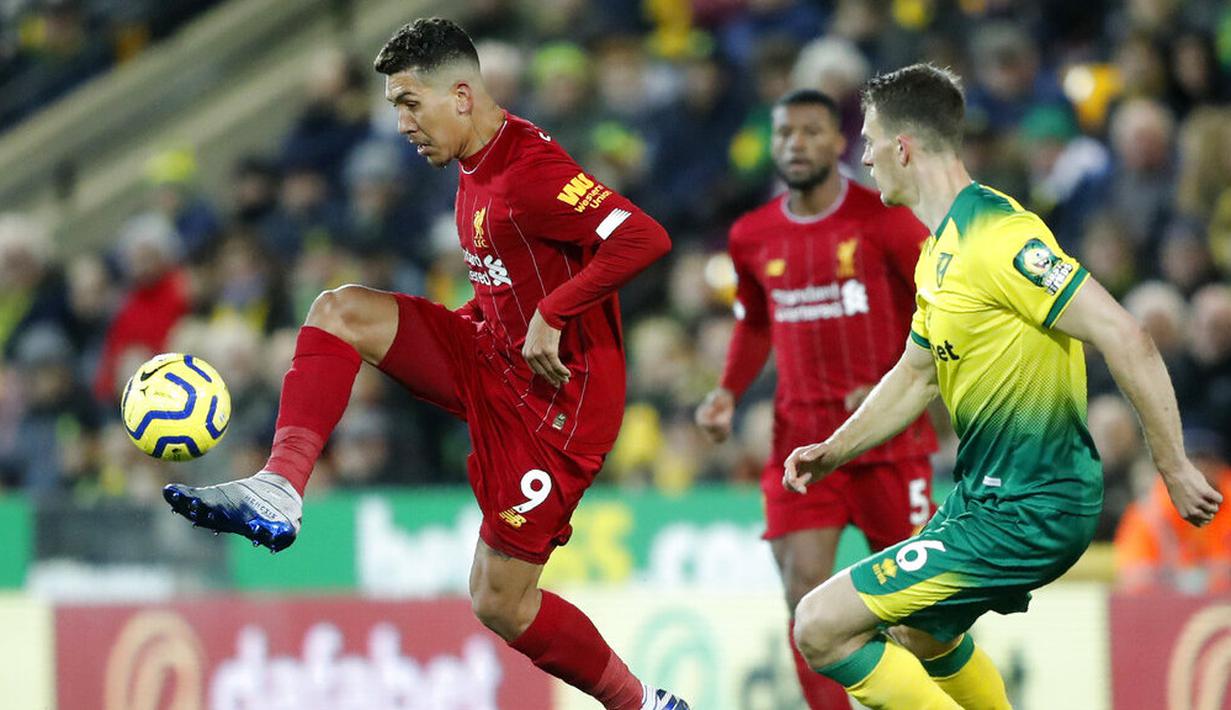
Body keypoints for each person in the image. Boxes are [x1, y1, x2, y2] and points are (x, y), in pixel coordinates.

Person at [163, 18, 689, 710]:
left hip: (559, 409)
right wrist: (494, 315)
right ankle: (280, 487)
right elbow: (512, 269)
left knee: (498, 601)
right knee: (339, 310)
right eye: (393, 107)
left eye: (410, 104)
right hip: (493, 356)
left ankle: (640, 705)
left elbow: (644, 238)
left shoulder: (530, 173)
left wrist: (554, 311)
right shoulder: (475, 162)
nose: (402, 124)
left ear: (463, 95)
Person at [782, 63, 1223, 710]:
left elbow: (1128, 336)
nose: (864, 156)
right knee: (920, 635)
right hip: (982, 501)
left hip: (1031, 505)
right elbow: (915, 373)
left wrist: (1172, 465)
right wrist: (835, 449)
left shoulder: (1000, 237)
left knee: (818, 627)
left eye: (871, 141)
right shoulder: (940, 251)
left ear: (903, 147)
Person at [695, 88, 937, 709]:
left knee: (919, 611)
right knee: (805, 595)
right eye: (783, 134)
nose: (794, 144)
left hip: (889, 439)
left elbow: (937, 312)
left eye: (810, 131)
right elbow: (753, 323)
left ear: (839, 142)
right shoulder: (752, 236)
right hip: (802, 446)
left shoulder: (884, 220)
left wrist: (891, 379)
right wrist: (727, 392)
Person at [1115, 428, 1231, 594]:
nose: (1201, 470)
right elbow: (1132, 575)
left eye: (1207, 461)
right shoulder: (1151, 511)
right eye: (1192, 462)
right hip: (1165, 608)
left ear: (1220, 467)